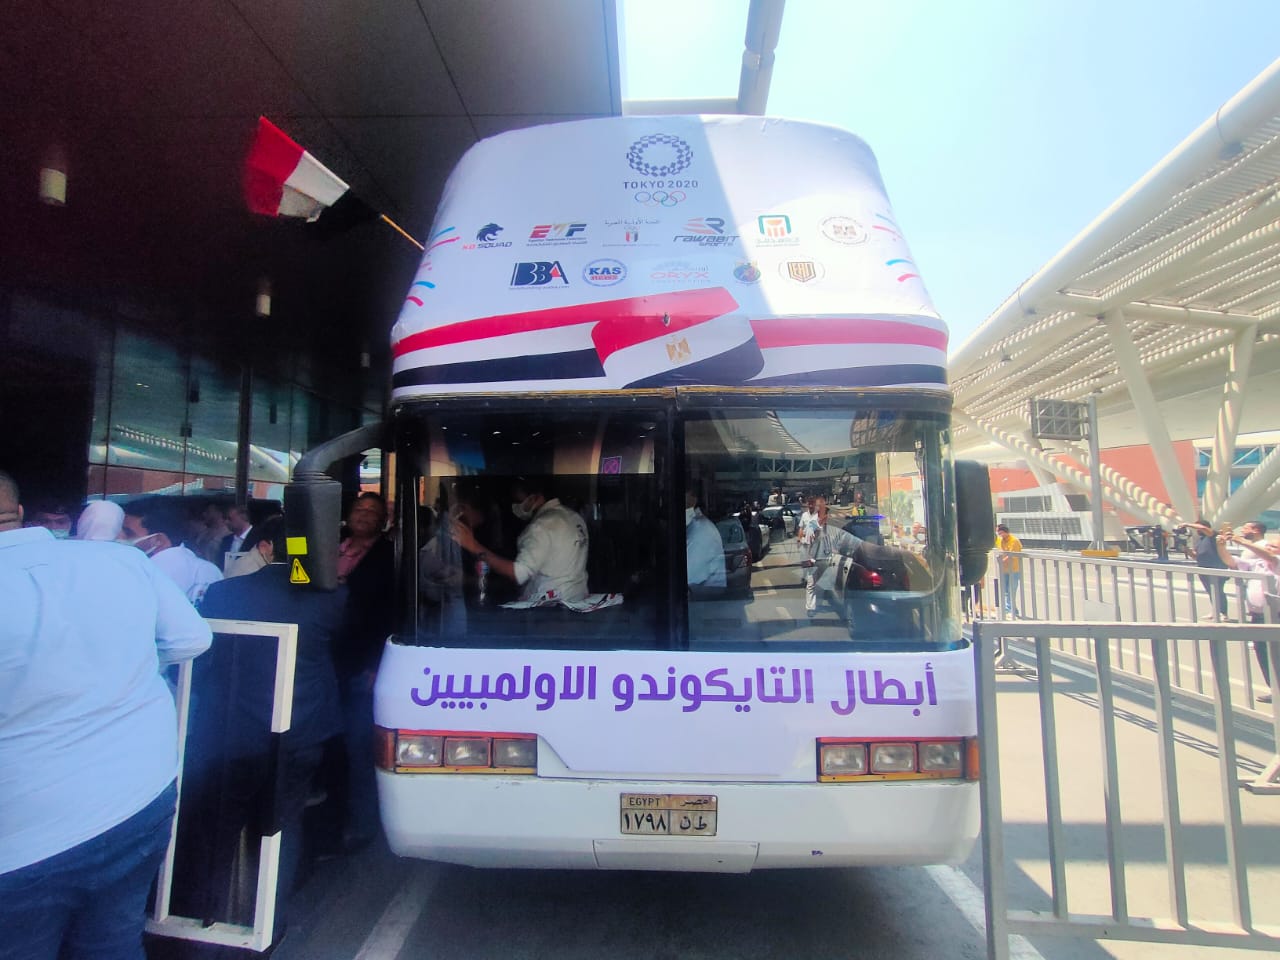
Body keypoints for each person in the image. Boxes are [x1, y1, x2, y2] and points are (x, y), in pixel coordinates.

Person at [0, 469, 212, 960]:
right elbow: (192, 639)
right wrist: (122, 665)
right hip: (138, 800)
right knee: (113, 942)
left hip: (22, 840)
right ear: (22, 513)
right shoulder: (122, 562)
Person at [197, 516, 346, 929]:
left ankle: (209, 917)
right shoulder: (330, 599)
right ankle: (269, 921)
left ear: (266, 548)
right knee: (284, 824)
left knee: (222, 823)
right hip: (301, 729)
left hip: (234, 729)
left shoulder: (223, 593)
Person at [452, 477, 589, 603]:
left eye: (518, 501)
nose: (515, 505)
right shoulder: (574, 517)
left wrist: (473, 545)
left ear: (535, 497)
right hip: (577, 598)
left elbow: (519, 574)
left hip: (549, 607)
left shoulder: (540, 527)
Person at [122, 496, 223, 605]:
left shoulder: (142, 575)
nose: (120, 538)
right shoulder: (208, 570)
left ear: (158, 540)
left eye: (128, 533)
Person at [1227, 520, 1279, 702]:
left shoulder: (1276, 560)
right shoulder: (1258, 563)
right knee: (1263, 653)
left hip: (1275, 614)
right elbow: (1231, 562)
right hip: (1259, 614)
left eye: (1273, 546)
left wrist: (1240, 541)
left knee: (1275, 652)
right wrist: (1221, 545)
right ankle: (1275, 689)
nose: (1269, 548)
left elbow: (1270, 557)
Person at [802, 496, 865, 617]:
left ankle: (816, 605)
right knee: (811, 584)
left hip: (826, 558)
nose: (825, 516)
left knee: (822, 584)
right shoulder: (812, 525)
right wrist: (808, 558)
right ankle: (810, 608)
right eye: (823, 513)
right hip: (813, 558)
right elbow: (807, 542)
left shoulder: (827, 527)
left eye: (826, 514)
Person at [1190, 518, 1231, 619]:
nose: (1197, 530)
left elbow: (1204, 529)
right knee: (1210, 591)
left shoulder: (1213, 535)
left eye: (1198, 528)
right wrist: (1187, 550)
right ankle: (1215, 611)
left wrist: (1187, 524)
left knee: (1218, 591)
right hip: (1203, 568)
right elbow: (1196, 556)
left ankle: (1223, 613)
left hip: (1216, 567)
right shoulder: (1200, 540)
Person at [685, 491, 725, 589]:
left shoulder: (700, 530)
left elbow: (689, 578)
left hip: (700, 594)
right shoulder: (695, 526)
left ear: (693, 500)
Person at [996, 523, 1023, 617]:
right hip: (1004, 570)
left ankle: (1010, 609)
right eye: (999, 533)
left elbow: (1012, 554)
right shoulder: (1000, 540)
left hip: (1013, 569)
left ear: (1006, 532)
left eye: (1001, 533)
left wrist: (1002, 561)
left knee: (1011, 589)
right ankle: (1011, 608)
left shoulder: (1014, 541)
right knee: (1005, 590)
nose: (1000, 535)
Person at [220, 504, 254, 570]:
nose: (226, 522)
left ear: (243, 517)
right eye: (225, 518)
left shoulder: (258, 539)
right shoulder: (226, 540)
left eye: (230, 519)